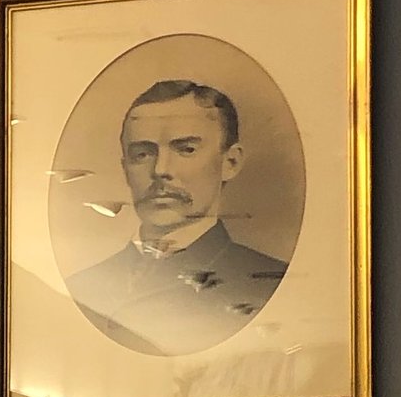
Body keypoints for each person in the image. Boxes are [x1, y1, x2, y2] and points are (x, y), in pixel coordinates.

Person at [66, 79, 286, 356]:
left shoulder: (270, 283)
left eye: (186, 149)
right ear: (125, 168)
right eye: (142, 154)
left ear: (230, 162)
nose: (160, 169)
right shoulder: (76, 288)